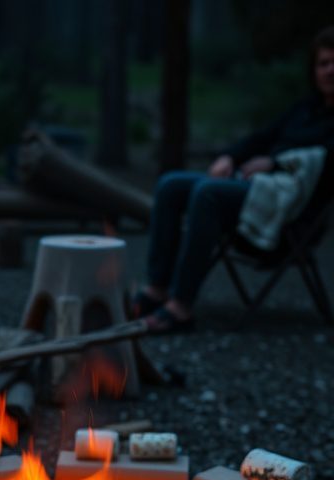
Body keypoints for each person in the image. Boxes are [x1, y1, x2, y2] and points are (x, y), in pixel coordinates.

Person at [134, 25, 334, 333]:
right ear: (314, 69)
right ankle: (158, 287)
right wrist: (229, 156)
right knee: (171, 184)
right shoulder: (306, 108)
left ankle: (181, 306)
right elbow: (261, 137)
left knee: (207, 193)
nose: (330, 70)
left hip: (289, 216)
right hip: (259, 191)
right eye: (323, 63)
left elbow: (324, 159)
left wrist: (275, 162)